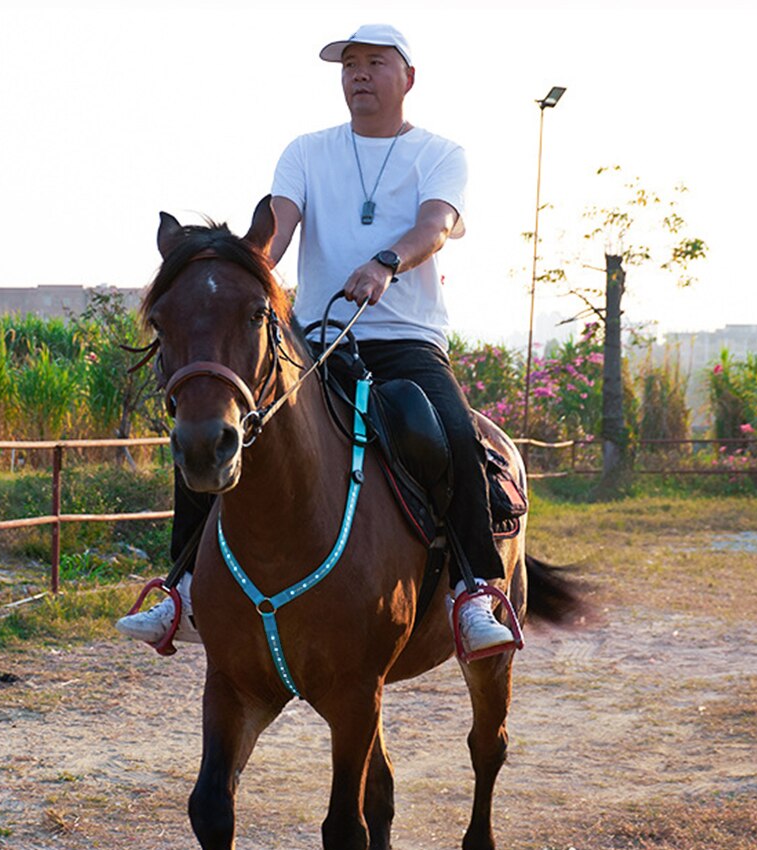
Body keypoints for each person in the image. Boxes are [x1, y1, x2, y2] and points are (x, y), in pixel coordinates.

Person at [117, 24, 514, 656]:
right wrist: (239, 268)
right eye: (349, 65)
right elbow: (276, 233)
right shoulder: (306, 151)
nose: (358, 74)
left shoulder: (440, 154)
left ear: (406, 77)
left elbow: (434, 227)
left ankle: (475, 591)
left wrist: (385, 262)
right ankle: (180, 587)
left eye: (374, 63)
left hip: (405, 337)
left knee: (451, 432)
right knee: (216, 423)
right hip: (315, 341)